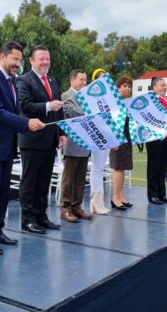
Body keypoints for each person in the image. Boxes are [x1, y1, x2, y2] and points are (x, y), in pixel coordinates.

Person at [0, 42, 45, 255]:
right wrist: (26, 123)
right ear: (2, 57)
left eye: (20, 60)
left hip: (5, 148)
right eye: (15, 59)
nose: (18, 64)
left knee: (3, 193)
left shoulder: (11, 81)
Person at [16, 45, 67, 234]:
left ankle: (41, 216)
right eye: (41, 59)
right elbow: (24, 106)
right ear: (31, 61)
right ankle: (27, 219)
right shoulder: (24, 80)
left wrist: (61, 133)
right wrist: (47, 106)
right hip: (32, 139)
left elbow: (58, 108)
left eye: (47, 59)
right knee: (30, 181)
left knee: (44, 180)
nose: (45, 62)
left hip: (50, 139)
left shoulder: (52, 80)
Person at [60, 69, 93, 222]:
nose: (84, 83)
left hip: (85, 144)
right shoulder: (66, 96)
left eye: (85, 80)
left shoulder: (86, 98)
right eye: (81, 79)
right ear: (72, 80)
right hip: (72, 144)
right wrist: (90, 111)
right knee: (69, 179)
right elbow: (70, 113)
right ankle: (65, 208)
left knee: (80, 179)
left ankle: (77, 207)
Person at [145, 77, 167, 205]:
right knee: (154, 166)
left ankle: (161, 193)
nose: (164, 87)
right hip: (155, 137)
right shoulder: (152, 100)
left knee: (163, 166)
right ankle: (152, 194)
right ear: (154, 87)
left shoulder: (166, 99)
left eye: (165, 85)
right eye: (161, 85)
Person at [109, 76, 134, 210]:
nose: (127, 89)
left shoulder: (128, 102)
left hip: (127, 137)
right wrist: (113, 138)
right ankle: (115, 198)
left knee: (123, 168)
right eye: (124, 86)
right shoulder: (114, 102)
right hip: (116, 138)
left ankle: (121, 197)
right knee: (118, 168)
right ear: (118, 88)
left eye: (129, 86)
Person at [88, 68, 110, 214]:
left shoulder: (109, 97)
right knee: (96, 167)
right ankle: (95, 200)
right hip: (97, 133)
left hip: (108, 133)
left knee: (101, 167)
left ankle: (99, 201)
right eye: (100, 78)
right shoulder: (90, 96)